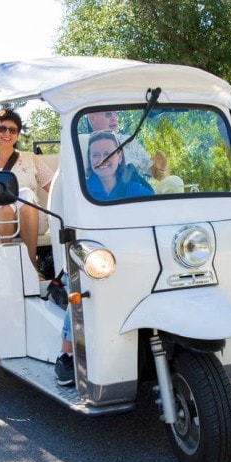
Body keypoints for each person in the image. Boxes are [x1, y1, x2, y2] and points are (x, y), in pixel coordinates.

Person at [55, 131, 153, 386]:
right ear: (89, 159)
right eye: (95, 155)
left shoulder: (138, 188)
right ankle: (66, 352)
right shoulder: (80, 189)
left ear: (119, 156)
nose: (102, 159)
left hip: (133, 259)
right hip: (96, 258)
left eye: (108, 153)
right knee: (80, 285)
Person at [0, 108, 53, 272]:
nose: (7, 133)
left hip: (32, 219)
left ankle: (31, 264)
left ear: (17, 134)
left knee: (26, 194)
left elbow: (54, 187)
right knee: (4, 202)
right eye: (2, 128)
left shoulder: (30, 159)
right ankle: (5, 266)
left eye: (13, 130)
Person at [87, 110, 153, 179]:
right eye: (108, 114)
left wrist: (158, 167)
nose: (114, 118)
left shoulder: (129, 141)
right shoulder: (81, 145)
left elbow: (151, 171)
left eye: (115, 114)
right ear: (93, 118)